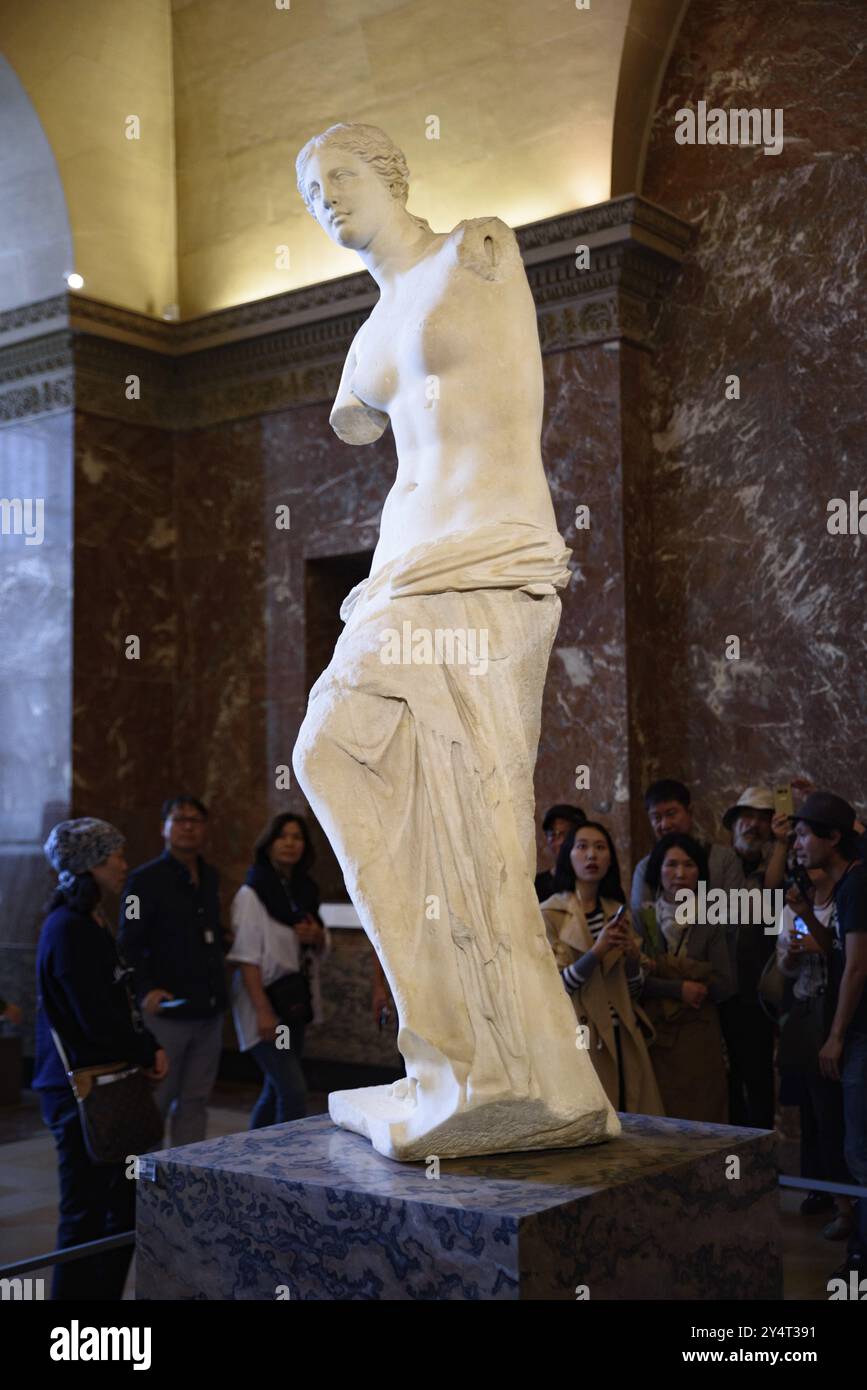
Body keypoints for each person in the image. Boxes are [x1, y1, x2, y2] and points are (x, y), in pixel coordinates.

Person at [291, 123, 615, 1158]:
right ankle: (452, 1053)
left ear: (389, 173)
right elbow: (366, 428)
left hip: (487, 557)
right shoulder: (364, 340)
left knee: (478, 811)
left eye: (339, 176)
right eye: (309, 192)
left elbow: (516, 402)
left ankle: (514, 1072)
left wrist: (510, 547)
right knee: (332, 752)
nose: (326, 200)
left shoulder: (476, 248)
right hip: (403, 573)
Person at [34, 818, 167, 1300]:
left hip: (102, 1082)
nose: (124, 863)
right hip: (79, 1090)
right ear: (91, 863)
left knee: (117, 1208)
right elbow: (95, 1018)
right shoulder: (68, 927)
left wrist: (142, 1041)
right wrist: (146, 1046)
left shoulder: (86, 920)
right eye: (116, 855)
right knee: (86, 1213)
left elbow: (111, 1004)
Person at [786, 792, 867, 1279]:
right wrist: (806, 913)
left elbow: (857, 968)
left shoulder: (856, 885)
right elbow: (837, 950)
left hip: (860, 1032)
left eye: (804, 833)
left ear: (833, 838)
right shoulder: (845, 884)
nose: (797, 843)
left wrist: (836, 1035)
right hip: (853, 1030)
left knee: (860, 1150)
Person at [118, 795, 227, 1147]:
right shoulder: (143, 880)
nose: (188, 826)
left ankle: (187, 1179)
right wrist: (144, 989)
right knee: (158, 1100)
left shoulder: (210, 876)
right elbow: (128, 943)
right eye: (179, 819)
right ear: (164, 828)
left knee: (196, 1100)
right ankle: (144, 1181)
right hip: (167, 1010)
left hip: (208, 1008)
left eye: (196, 819)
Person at [540, 823, 663, 1115]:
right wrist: (598, 950)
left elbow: (634, 990)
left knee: (632, 1122)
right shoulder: (550, 913)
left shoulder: (617, 911)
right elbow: (557, 988)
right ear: (568, 856)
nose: (591, 855)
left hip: (622, 1035)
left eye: (600, 847)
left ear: (610, 858)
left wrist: (632, 957)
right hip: (578, 1038)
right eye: (581, 846)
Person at [228, 814, 328, 1127]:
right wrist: (263, 1012)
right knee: (293, 1091)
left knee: (276, 1088)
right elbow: (247, 957)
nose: (289, 843)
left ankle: (250, 1159)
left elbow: (316, 942)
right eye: (282, 836)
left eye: (297, 837)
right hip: (264, 1000)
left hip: (293, 1000)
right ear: (268, 844)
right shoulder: (253, 893)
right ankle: (287, 1162)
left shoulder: (304, 890)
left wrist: (318, 936)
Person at [776, 864, 854, 1241]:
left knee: (845, 1118)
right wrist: (792, 954)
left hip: (843, 1017)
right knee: (820, 1117)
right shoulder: (793, 908)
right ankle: (840, 1206)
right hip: (809, 1019)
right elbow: (783, 968)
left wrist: (815, 939)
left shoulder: (848, 901)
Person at [635, 833, 733, 1123]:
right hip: (655, 1035)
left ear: (700, 871)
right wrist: (681, 985)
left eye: (688, 865)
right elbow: (634, 982)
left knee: (704, 1117)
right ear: (657, 870)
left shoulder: (711, 917)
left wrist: (665, 970)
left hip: (699, 1034)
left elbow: (726, 983)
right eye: (671, 865)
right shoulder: (642, 918)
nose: (679, 874)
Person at [535, 803, 586, 902]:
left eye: (566, 834)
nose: (561, 841)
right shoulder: (536, 885)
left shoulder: (592, 881)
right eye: (553, 834)